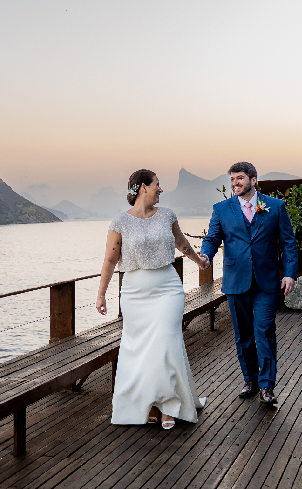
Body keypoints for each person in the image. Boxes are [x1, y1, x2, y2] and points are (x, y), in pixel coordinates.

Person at [96, 169, 209, 430]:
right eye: (157, 184)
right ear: (143, 187)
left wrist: (199, 261)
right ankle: (148, 403)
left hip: (167, 288)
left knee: (166, 341)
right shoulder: (120, 223)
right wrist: (101, 294)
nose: (161, 189)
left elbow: (181, 244)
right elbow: (110, 260)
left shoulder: (167, 215)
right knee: (140, 349)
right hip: (135, 292)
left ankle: (168, 405)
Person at [200, 162, 297, 405]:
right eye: (232, 179)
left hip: (266, 280)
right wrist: (205, 256)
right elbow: (212, 238)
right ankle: (250, 380)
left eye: (240, 178)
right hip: (236, 280)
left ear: (254, 180)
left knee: (264, 330)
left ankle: (267, 386)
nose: (235, 183)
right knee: (243, 334)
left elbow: (288, 243)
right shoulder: (222, 209)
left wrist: (289, 274)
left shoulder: (275, 206)